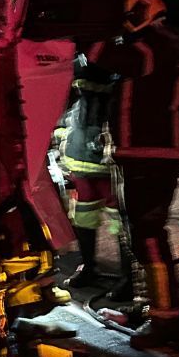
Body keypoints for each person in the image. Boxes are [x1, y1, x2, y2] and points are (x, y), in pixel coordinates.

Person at [86, 0, 179, 348]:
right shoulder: (156, 44)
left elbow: (106, 57)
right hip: (141, 156)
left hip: (152, 157)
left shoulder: (157, 43)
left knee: (148, 235)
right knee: (138, 236)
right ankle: (152, 305)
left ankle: (166, 318)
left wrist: (88, 29)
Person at [59, 53, 134, 301]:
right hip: (80, 154)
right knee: (82, 216)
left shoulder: (120, 62)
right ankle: (90, 267)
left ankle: (129, 279)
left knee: (120, 222)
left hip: (109, 160)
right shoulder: (78, 63)